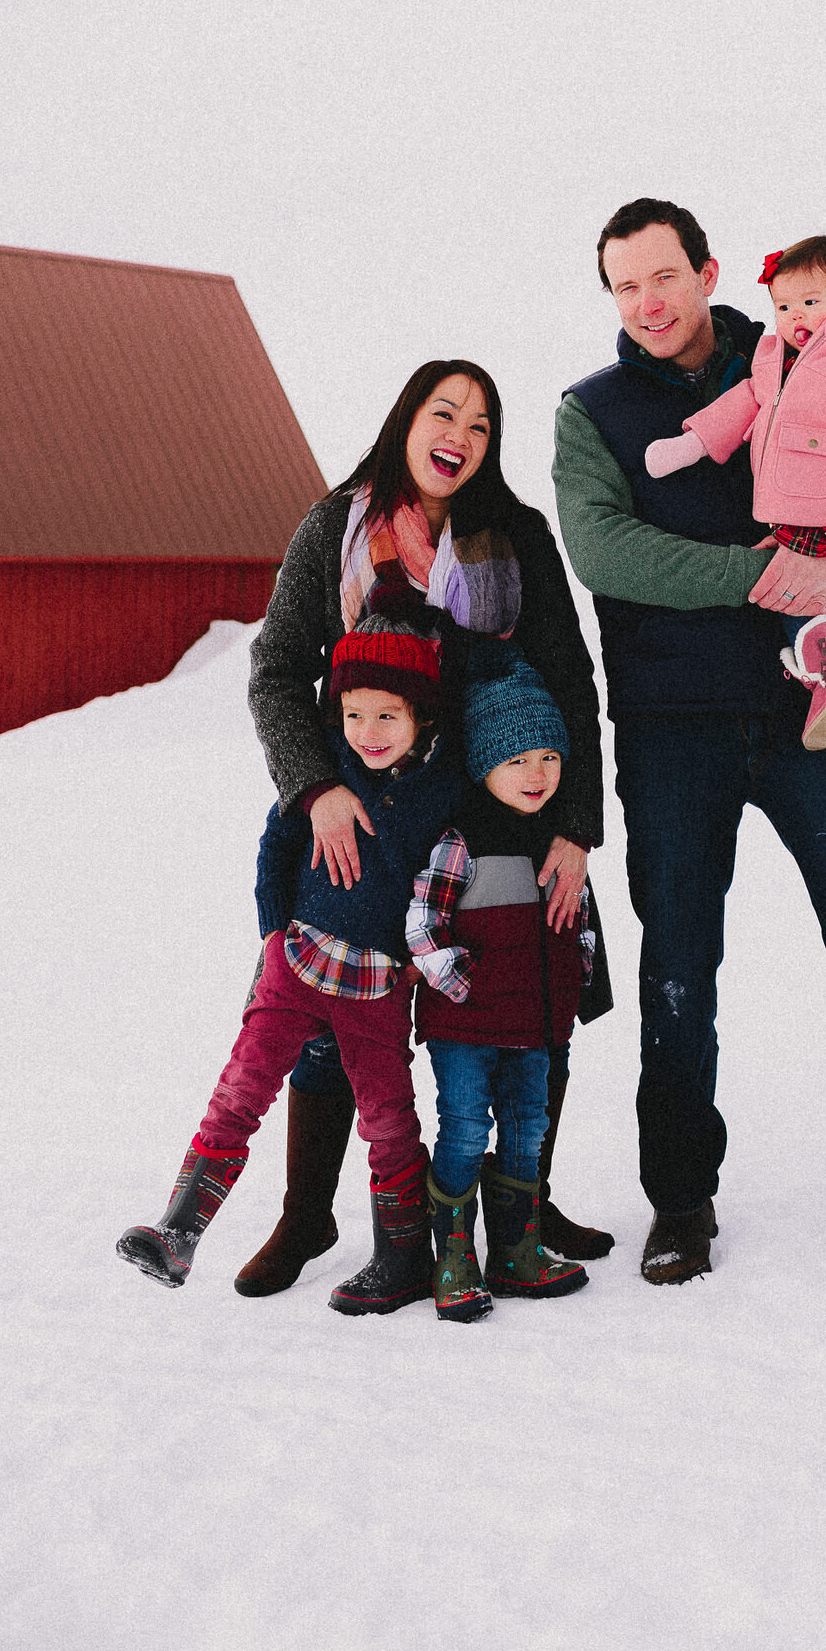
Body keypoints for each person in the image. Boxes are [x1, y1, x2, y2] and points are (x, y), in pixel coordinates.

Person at [552, 197, 826, 1286]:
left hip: (815, 713)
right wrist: (761, 572)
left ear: (706, 273)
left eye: (663, 276)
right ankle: (681, 1203)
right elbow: (605, 552)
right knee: (678, 971)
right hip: (670, 730)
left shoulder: (810, 349)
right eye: (623, 284)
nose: (646, 302)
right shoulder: (588, 413)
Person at [240, 358, 611, 1298]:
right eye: (444, 413)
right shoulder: (339, 528)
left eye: (482, 424)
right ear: (407, 421)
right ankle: (308, 1212)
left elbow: (571, 682)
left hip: (502, 816)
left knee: (522, 1005)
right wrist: (313, 787)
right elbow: (277, 671)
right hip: (362, 807)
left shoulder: (514, 536)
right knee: (335, 1011)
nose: (461, 435)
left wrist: (573, 825)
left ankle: (519, 1207)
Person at [116, 601, 461, 1309]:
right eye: (354, 714)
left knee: (389, 1118)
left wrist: (412, 961)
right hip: (295, 966)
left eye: (387, 717)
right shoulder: (321, 775)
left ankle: (404, 1249)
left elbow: (440, 889)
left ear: (421, 719)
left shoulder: (437, 794)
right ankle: (179, 1231)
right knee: (239, 1093)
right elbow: (274, 852)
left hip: (375, 988)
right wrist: (274, 933)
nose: (367, 733)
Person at [645, 232, 826, 748]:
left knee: (795, 596)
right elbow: (746, 402)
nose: (795, 317)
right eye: (783, 305)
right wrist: (693, 443)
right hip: (793, 505)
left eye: (811, 303)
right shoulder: (775, 358)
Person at [407, 659, 595, 1321]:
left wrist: (574, 986)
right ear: (483, 764)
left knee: (527, 1132)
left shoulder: (559, 843)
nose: (537, 774)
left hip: (537, 1025)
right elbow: (424, 926)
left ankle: (517, 1249)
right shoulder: (462, 842)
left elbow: (578, 925)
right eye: (516, 760)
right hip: (468, 1025)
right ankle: (454, 1257)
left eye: (548, 757)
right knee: (463, 1130)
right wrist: (466, 985)